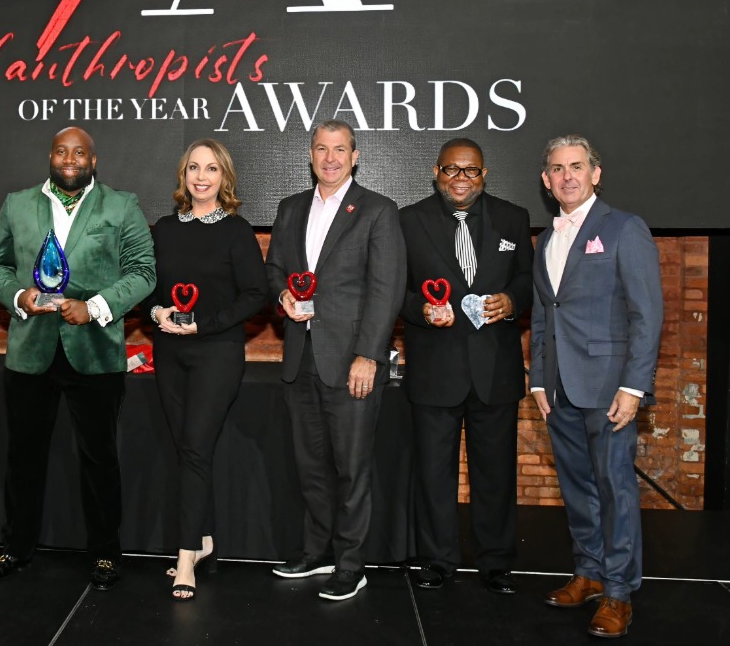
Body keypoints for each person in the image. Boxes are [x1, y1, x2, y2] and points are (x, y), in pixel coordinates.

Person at [0, 126, 155, 590]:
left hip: (95, 351)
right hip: (31, 348)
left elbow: (143, 272)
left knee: (99, 459)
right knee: (23, 458)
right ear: (50, 157)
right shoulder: (17, 203)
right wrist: (18, 295)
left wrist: (94, 306)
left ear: (94, 161)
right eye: (61, 151)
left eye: (80, 152)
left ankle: (104, 553)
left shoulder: (122, 205)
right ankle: (15, 547)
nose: (70, 159)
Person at [264, 119, 405, 601]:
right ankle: (316, 551)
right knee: (311, 467)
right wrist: (282, 292)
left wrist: (368, 356)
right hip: (300, 358)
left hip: (351, 365)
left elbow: (386, 292)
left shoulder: (378, 211)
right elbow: (276, 269)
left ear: (355, 155)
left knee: (351, 468)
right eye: (321, 149)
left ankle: (351, 564)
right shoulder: (290, 208)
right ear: (310, 154)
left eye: (339, 150)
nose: (330, 158)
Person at [530, 135, 662, 638]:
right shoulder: (546, 238)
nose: (568, 176)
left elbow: (646, 315)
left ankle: (620, 593)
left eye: (577, 166)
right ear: (546, 180)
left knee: (615, 489)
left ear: (595, 173)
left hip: (609, 389)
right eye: (558, 169)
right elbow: (546, 314)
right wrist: (539, 380)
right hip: (559, 389)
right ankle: (587, 573)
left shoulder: (625, 228)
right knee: (578, 489)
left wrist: (634, 387)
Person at [398, 138, 532, 594]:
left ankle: (495, 562)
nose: (460, 178)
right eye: (451, 170)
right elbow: (396, 291)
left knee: (495, 472)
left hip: (495, 369)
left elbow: (528, 282)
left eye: (470, 170)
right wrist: (422, 312)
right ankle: (436, 560)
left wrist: (512, 301)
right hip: (435, 368)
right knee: (433, 473)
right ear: (436, 172)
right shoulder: (409, 221)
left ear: (484, 173)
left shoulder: (514, 218)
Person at [148, 139, 267, 601]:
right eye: (194, 167)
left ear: (225, 177)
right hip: (169, 351)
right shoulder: (163, 229)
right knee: (186, 448)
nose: (201, 176)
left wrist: (204, 324)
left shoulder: (236, 231)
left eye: (211, 169)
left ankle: (184, 559)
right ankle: (205, 540)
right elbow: (144, 284)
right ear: (183, 175)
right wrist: (158, 312)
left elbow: (255, 293)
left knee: (195, 448)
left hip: (217, 351)